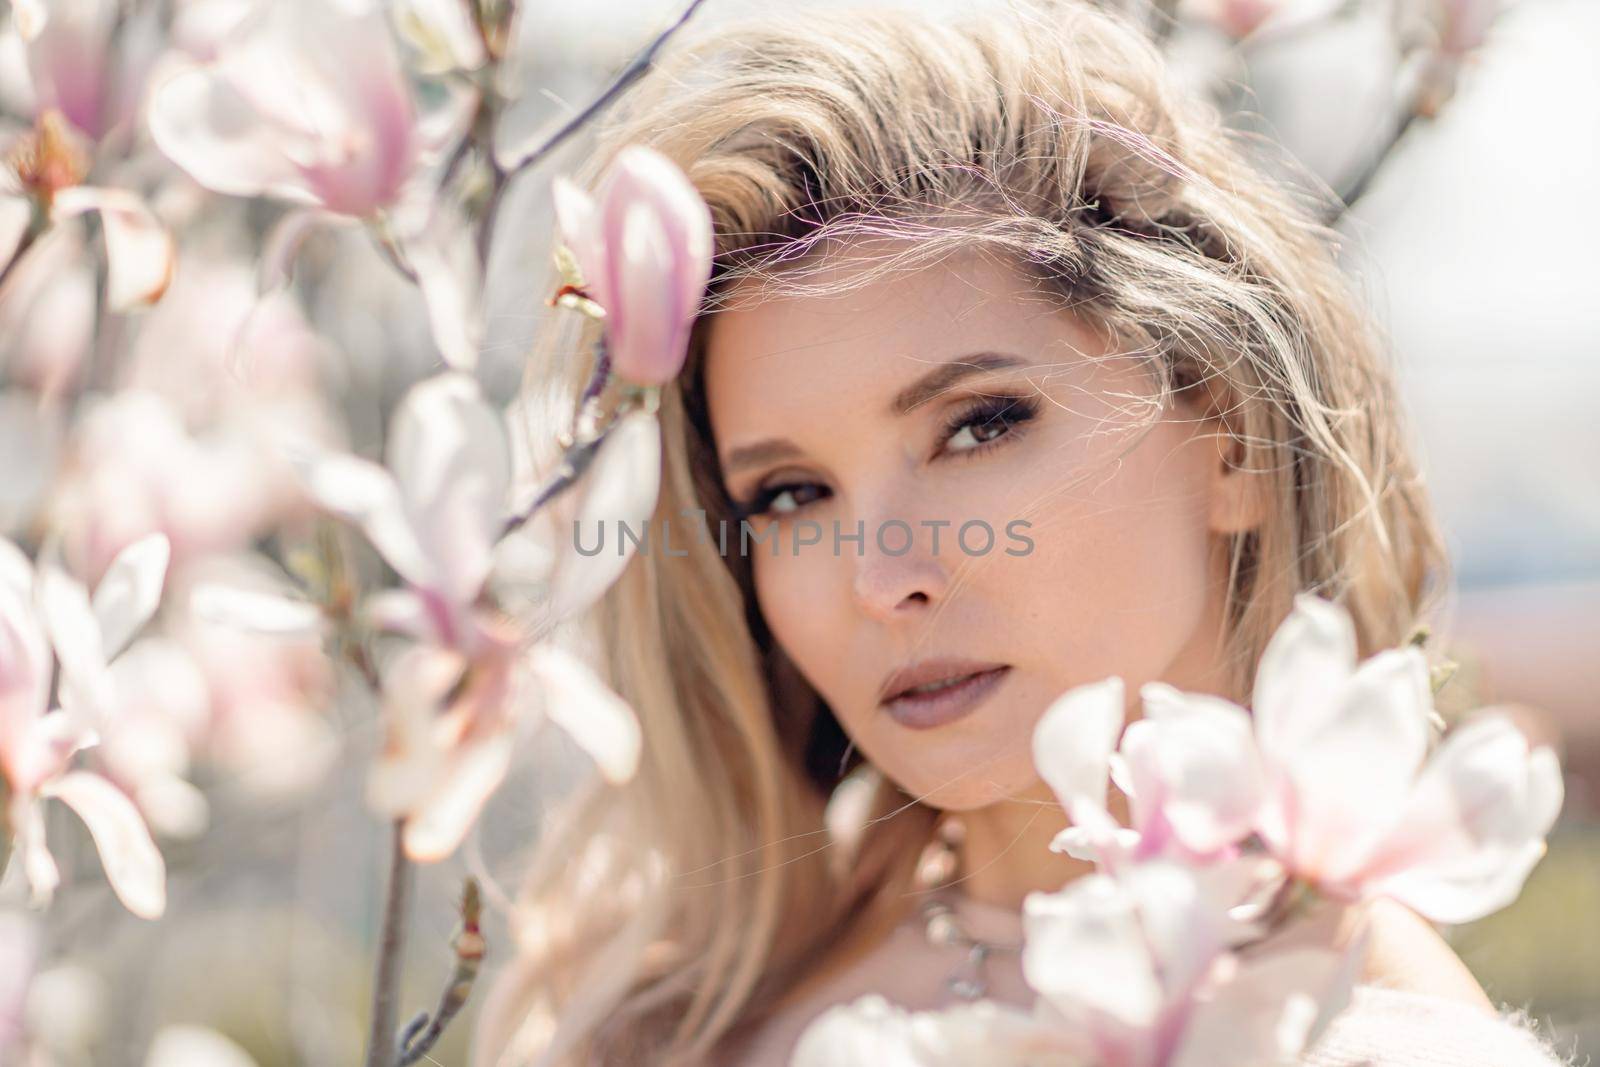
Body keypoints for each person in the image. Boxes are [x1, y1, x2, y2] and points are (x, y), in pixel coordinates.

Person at [474, 1, 1576, 1064]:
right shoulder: (665, 1017)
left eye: (977, 426)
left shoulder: (1364, 1032)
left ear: (1229, 434)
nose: (881, 577)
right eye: (790, 495)